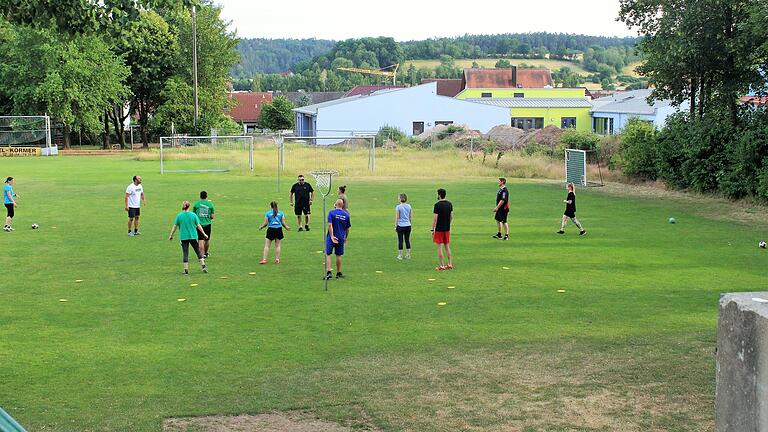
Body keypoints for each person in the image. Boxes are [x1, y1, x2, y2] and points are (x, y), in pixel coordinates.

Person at [168, 200, 209, 275]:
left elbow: (175, 226)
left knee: (185, 253)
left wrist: (171, 235)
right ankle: (203, 266)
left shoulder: (179, 216)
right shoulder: (193, 215)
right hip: (193, 236)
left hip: (184, 237)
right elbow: (198, 225)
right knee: (198, 251)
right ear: (189, 206)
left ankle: (186, 270)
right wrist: (204, 234)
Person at [325, 199, 351, 280]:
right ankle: (338, 272)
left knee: (328, 254)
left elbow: (330, 225)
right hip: (340, 237)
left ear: (335, 204)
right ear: (342, 205)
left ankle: (329, 272)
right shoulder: (346, 215)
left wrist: (332, 236)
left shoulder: (331, 213)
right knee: (338, 255)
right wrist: (345, 237)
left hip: (331, 237)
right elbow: (347, 228)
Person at [432, 188, 453, 270]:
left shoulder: (437, 205)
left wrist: (432, 229)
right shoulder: (449, 204)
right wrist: (448, 224)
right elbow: (451, 216)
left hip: (439, 229)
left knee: (439, 248)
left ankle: (441, 265)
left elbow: (435, 219)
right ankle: (450, 264)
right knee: (447, 246)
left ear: (439, 195)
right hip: (447, 229)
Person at [192, 191, 215, 258]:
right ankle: (205, 253)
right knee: (207, 239)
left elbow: (194, 215)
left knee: (200, 240)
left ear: (200, 196)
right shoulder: (210, 205)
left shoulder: (196, 204)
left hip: (199, 225)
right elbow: (212, 217)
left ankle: (201, 255)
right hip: (207, 224)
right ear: (206, 196)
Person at [395, 193, 412, 260]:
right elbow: (410, 216)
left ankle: (400, 255)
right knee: (407, 240)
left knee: (400, 240)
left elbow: (397, 217)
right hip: (408, 225)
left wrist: (395, 225)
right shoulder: (409, 206)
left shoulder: (398, 207)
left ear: (400, 199)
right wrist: (409, 223)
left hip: (400, 226)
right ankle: (408, 255)